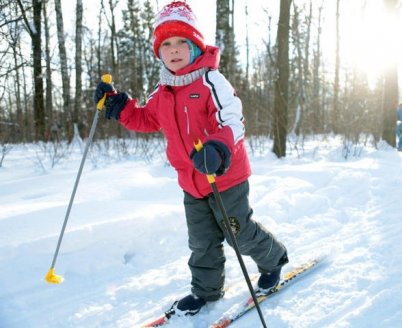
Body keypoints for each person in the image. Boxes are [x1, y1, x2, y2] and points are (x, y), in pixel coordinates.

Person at [94, 1, 288, 316]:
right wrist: (120, 106)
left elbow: (232, 119)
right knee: (202, 242)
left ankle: (274, 259)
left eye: (181, 42)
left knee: (236, 232)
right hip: (191, 182)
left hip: (225, 176)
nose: (173, 50)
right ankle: (206, 292)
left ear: (195, 46)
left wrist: (219, 147)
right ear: (159, 52)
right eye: (166, 44)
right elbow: (146, 119)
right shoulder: (164, 91)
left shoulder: (211, 81)